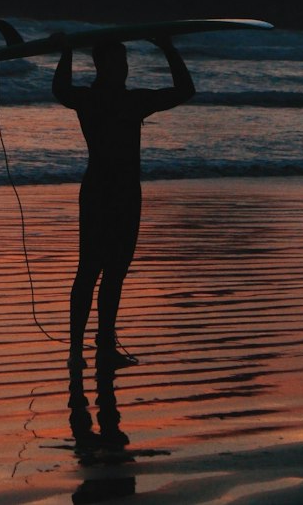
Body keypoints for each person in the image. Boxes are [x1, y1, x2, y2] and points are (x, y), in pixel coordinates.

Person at [53, 35, 195, 369]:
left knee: (113, 271)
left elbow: (61, 90)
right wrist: (168, 48)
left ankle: (101, 347)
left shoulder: (100, 100)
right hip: (110, 192)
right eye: (119, 62)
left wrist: (67, 51)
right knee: (91, 269)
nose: (125, 69)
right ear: (103, 66)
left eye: (126, 62)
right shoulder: (126, 102)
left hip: (117, 192)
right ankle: (77, 351)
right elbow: (184, 89)